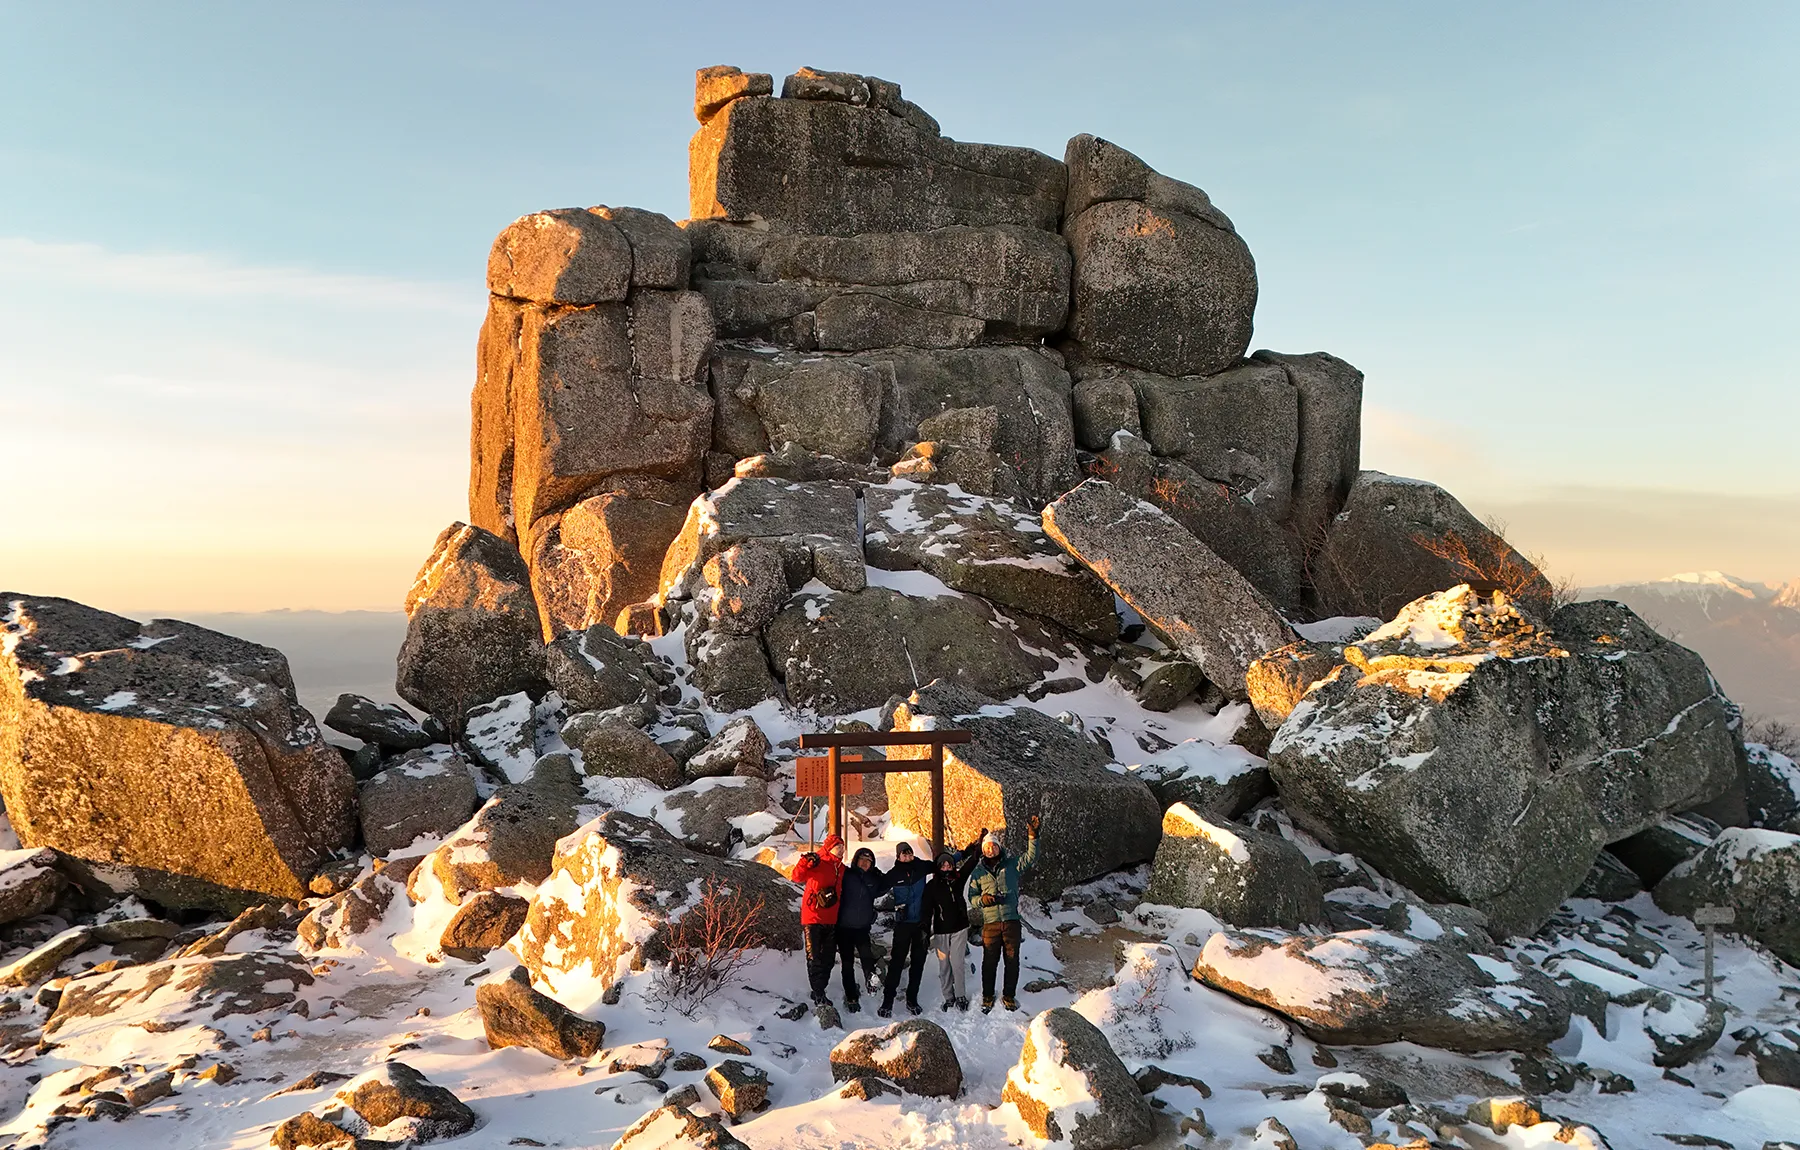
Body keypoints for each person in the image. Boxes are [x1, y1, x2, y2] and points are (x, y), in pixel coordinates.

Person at [966, 814, 1039, 1012]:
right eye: (987, 847)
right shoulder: (978, 873)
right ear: (983, 851)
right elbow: (971, 897)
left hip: (1011, 921)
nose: (991, 850)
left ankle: (1009, 996)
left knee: (1012, 960)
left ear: (999, 848)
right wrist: (983, 900)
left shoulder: (1012, 865)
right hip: (990, 923)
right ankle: (988, 995)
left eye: (994, 846)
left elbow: (1030, 858)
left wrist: (1033, 837)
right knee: (989, 961)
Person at [923, 831, 985, 1011]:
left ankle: (960, 996)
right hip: (941, 931)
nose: (946, 868)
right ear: (938, 868)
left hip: (959, 928)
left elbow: (970, 865)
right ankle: (948, 997)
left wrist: (978, 848)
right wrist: (924, 929)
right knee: (944, 967)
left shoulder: (958, 881)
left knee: (957, 964)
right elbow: (926, 910)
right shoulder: (932, 887)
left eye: (949, 865)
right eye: (942, 865)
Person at [878, 841, 936, 1017]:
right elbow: (876, 888)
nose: (908, 856)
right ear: (898, 857)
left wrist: (966, 853)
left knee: (918, 964)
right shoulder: (894, 874)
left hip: (921, 925)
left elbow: (943, 863)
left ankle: (912, 999)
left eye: (909, 853)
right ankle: (887, 1002)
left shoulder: (921, 867)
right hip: (903, 925)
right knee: (896, 963)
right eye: (904, 854)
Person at [791, 833, 847, 1007]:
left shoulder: (842, 868)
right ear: (830, 848)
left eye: (843, 847)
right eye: (838, 847)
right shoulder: (817, 862)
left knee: (828, 959)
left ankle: (820, 989)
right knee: (814, 957)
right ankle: (818, 993)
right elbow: (796, 877)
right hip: (813, 917)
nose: (842, 850)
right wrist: (803, 862)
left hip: (832, 918)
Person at [835, 846, 891, 1010]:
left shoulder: (874, 879)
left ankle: (871, 982)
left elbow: (886, 886)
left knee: (867, 957)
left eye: (869, 861)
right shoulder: (846, 874)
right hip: (844, 927)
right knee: (847, 964)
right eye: (862, 860)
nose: (865, 863)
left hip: (862, 927)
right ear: (856, 860)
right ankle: (851, 997)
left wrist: (882, 878)